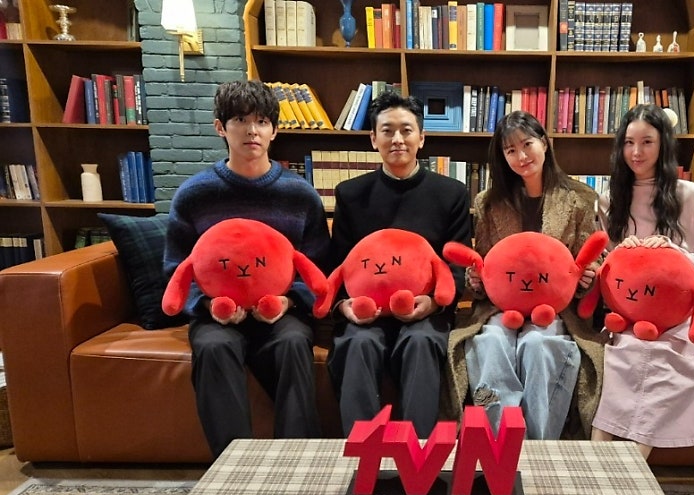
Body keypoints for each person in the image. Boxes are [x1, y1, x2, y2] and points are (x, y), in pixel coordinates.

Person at [163, 79, 330, 457]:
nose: (252, 130)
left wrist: (291, 301)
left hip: (281, 311)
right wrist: (207, 305)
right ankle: (232, 464)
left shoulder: (300, 194)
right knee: (213, 347)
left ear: (274, 130)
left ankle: (298, 459)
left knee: (293, 343)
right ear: (220, 127)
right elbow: (176, 267)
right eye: (240, 120)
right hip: (217, 313)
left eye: (262, 121)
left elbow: (319, 266)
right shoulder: (195, 194)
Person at [592, 103, 694, 458]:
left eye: (647, 142)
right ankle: (598, 456)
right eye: (629, 142)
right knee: (622, 352)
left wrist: (673, 253)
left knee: (663, 355)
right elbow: (607, 264)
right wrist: (620, 255)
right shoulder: (609, 199)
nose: (636, 152)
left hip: (683, 306)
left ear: (663, 144)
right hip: (633, 305)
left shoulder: (689, 194)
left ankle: (635, 464)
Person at [446, 110, 606, 440]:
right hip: (501, 308)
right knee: (489, 342)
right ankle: (496, 438)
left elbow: (587, 258)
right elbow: (485, 265)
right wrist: (476, 281)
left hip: (555, 309)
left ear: (544, 143)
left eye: (527, 144)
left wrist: (586, 278)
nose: (521, 156)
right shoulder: (489, 202)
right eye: (510, 150)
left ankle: (538, 443)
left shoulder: (579, 199)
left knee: (538, 344)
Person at [325, 91, 472, 438]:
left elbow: (458, 265)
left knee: (421, 342)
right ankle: (362, 449)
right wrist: (344, 306)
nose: (397, 139)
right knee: (358, 344)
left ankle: (417, 451)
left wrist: (433, 302)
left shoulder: (451, 193)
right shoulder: (350, 194)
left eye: (406, 130)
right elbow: (337, 265)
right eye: (387, 131)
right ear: (373, 138)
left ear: (422, 137)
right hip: (366, 313)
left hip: (425, 312)